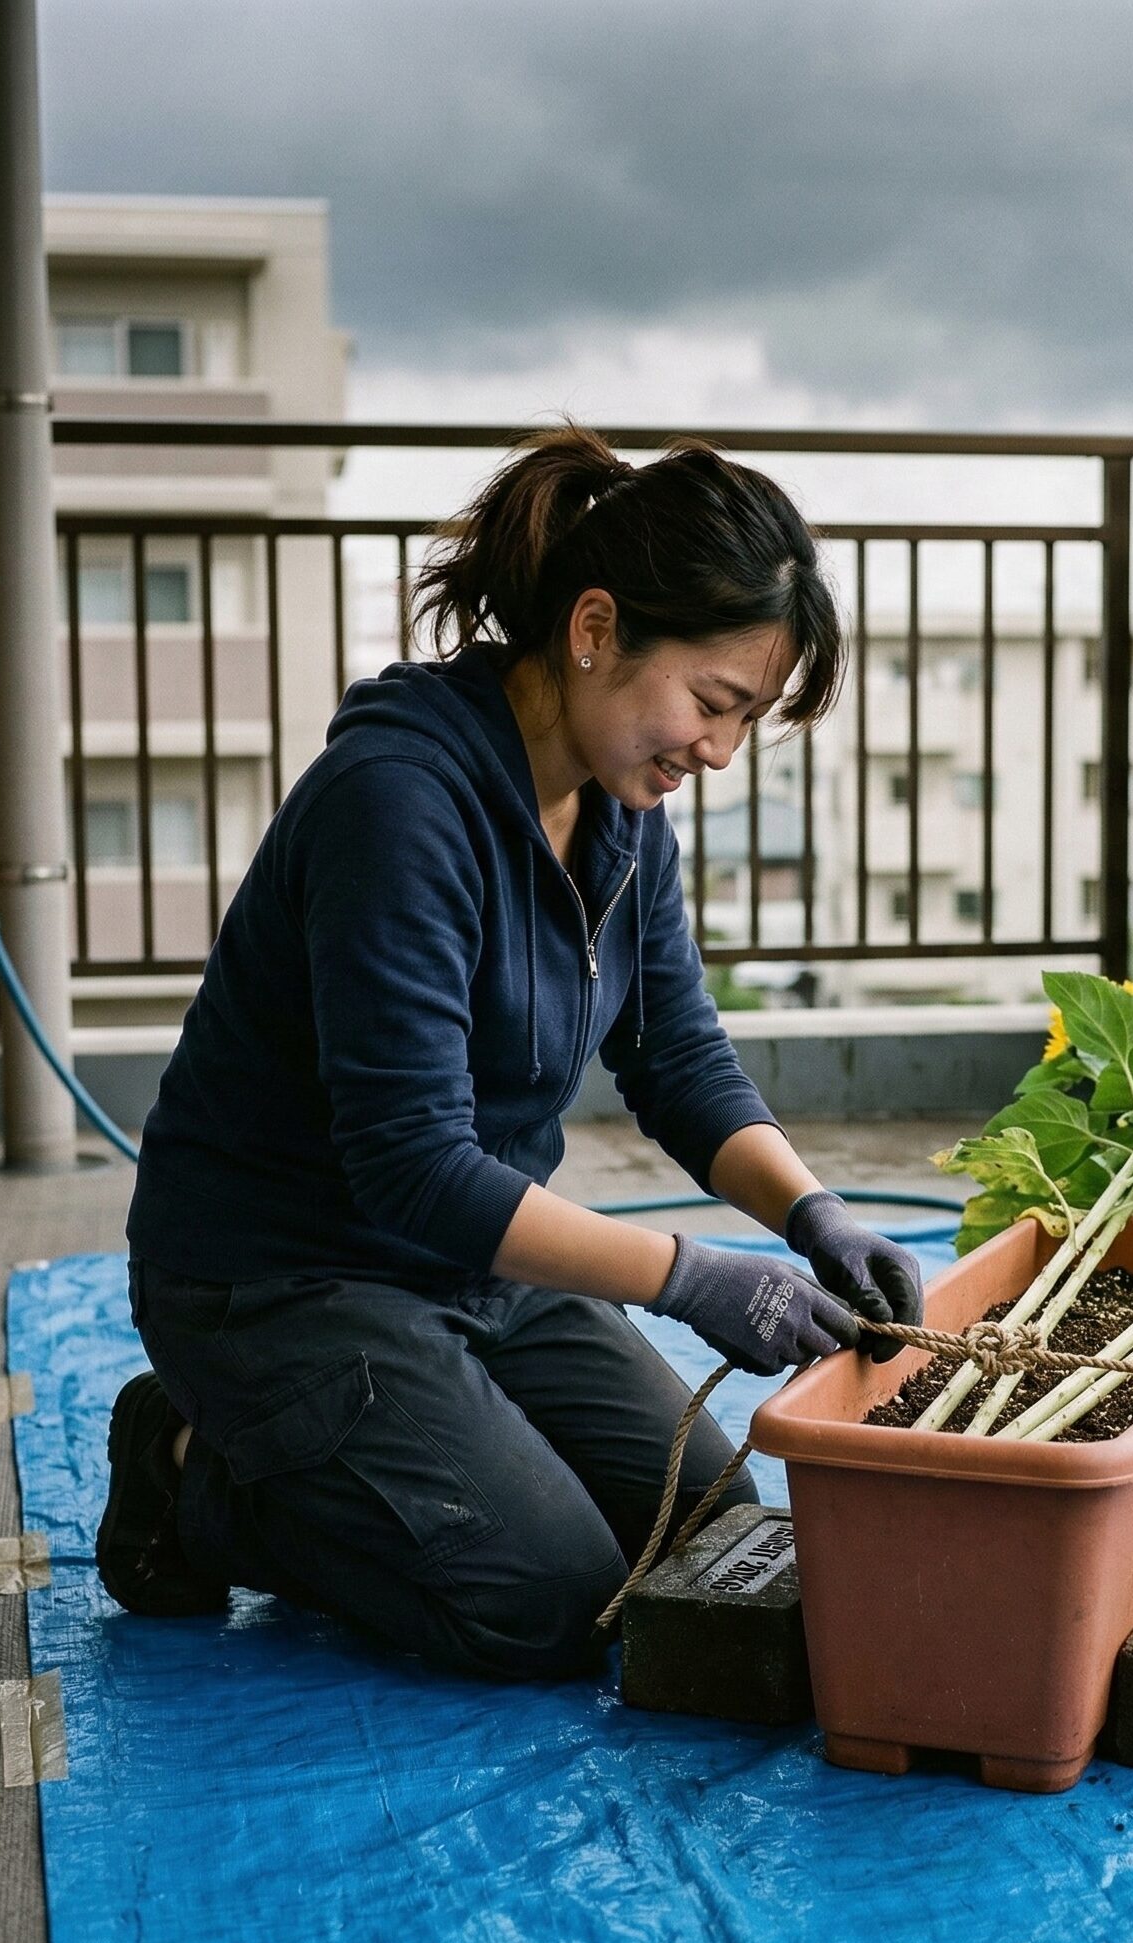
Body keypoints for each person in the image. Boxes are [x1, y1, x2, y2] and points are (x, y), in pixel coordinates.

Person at [99, 423, 924, 1680]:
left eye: (742, 720)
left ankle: (365, 1444)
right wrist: (689, 1277)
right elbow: (412, 1165)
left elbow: (678, 1060)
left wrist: (811, 1211)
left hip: (476, 1259)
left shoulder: (621, 810)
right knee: (548, 1598)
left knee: (703, 1530)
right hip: (280, 1278)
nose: (718, 752)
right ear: (594, 628)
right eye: (713, 703)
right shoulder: (398, 801)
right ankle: (189, 1462)